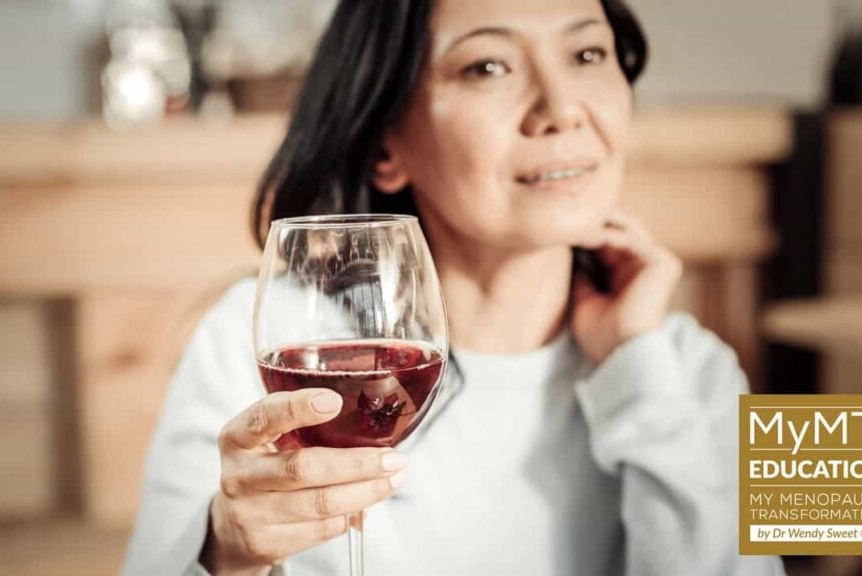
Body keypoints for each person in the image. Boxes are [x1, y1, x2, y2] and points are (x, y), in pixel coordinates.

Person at [122, 0, 787, 574]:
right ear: (387, 148)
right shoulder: (256, 340)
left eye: (587, 54)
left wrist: (638, 369)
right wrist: (227, 553)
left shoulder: (695, 368)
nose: (561, 110)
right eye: (488, 67)